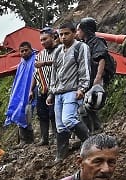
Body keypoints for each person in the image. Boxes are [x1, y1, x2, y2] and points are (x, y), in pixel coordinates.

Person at [48, 21, 92, 161]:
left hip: (72, 90)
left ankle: (89, 143)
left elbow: (84, 68)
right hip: (58, 92)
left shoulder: (80, 47)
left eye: (67, 33)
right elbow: (54, 73)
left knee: (68, 119)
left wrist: (83, 88)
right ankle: (61, 154)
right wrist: (51, 92)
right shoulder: (57, 52)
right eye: (61, 34)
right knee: (60, 126)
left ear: (74, 33)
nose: (63, 37)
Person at [76, 17, 113, 134]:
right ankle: (91, 130)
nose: (77, 33)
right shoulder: (84, 44)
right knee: (84, 107)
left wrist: (97, 79)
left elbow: (101, 59)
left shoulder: (97, 42)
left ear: (85, 30)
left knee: (90, 104)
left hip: (95, 78)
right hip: (87, 79)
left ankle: (96, 129)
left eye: (78, 30)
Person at [33, 28, 60, 146]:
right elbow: (36, 73)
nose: (43, 42)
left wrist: (44, 64)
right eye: (41, 40)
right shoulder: (40, 55)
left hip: (55, 88)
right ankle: (44, 138)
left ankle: (56, 136)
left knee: (53, 113)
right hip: (42, 88)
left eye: (45, 39)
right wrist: (31, 90)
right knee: (41, 114)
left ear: (53, 37)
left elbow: (61, 63)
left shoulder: (60, 50)